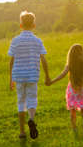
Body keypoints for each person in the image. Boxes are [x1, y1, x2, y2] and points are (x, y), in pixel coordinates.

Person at [8, 11, 51, 139]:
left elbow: (11, 61)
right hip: (32, 75)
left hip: (19, 76)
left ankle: (22, 132)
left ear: (20, 26)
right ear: (34, 25)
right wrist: (47, 76)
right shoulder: (37, 41)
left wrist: (11, 78)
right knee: (32, 99)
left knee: (21, 101)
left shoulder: (15, 41)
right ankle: (31, 118)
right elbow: (43, 59)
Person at [49, 44, 83, 132]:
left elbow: (62, 75)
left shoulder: (69, 65)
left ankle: (74, 128)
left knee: (72, 110)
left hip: (72, 90)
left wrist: (52, 81)